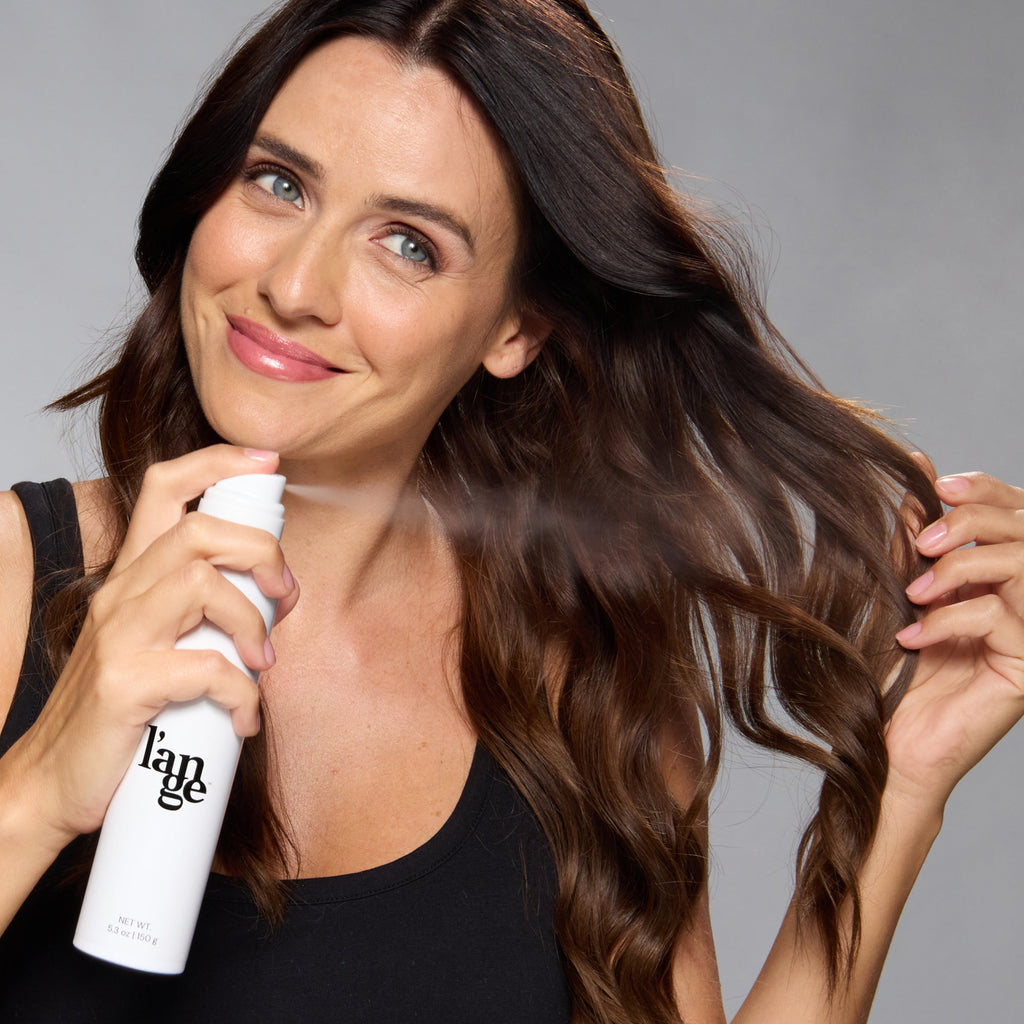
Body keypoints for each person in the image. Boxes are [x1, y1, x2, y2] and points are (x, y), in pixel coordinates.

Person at [0, 1, 1020, 1020]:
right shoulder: (11, 585)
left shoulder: (586, 681)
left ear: (517, 327)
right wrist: (43, 784)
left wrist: (901, 783)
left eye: (407, 243)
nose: (294, 285)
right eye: (279, 183)